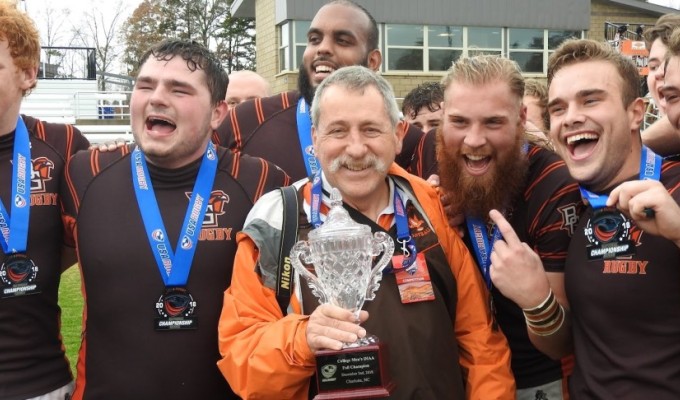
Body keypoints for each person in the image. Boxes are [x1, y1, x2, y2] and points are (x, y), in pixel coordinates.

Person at [216, 66, 514, 399]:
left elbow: (480, 343)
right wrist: (302, 340)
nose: (356, 149)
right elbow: (243, 360)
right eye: (338, 131)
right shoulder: (277, 222)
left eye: (371, 130)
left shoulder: (430, 207)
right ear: (315, 137)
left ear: (399, 133)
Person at [60, 39, 289, 399]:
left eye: (179, 89)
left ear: (218, 112)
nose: (157, 98)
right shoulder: (82, 173)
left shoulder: (263, 182)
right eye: (145, 85)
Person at [435, 55, 581, 399]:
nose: (473, 139)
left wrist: (536, 300)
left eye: (493, 123)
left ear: (521, 119)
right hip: (463, 375)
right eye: (459, 121)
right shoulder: (439, 159)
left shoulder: (555, 187)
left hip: (536, 382)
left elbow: (560, 344)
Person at [547, 38, 680, 398]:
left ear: (636, 112)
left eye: (590, 100)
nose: (571, 116)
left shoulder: (677, 188)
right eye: (557, 108)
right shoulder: (562, 201)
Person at [212, 0, 424, 180]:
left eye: (342, 41)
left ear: (373, 60)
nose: (322, 48)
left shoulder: (407, 140)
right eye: (314, 39)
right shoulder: (247, 118)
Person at [0, 2, 90, 399]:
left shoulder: (64, 145)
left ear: (27, 73)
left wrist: (34, 260)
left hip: (41, 381)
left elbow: (90, 239)